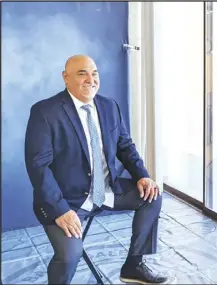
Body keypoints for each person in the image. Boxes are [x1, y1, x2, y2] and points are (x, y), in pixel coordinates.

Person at [24, 55, 175, 284]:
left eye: (94, 73)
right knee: (69, 255)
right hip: (67, 201)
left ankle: (133, 266)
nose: (91, 79)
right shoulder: (45, 112)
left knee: (152, 196)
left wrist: (142, 176)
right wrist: (60, 209)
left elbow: (125, 147)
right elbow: (38, 167)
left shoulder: (109, 106)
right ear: (65, 78)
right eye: (82, 73)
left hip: (107, 190)